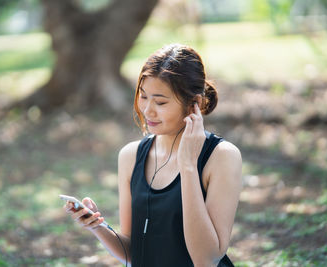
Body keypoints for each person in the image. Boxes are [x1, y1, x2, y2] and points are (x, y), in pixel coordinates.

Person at [64, 44, 242, 267]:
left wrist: (188, 166)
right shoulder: (131, 156)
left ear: (194, 104)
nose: (148, 110)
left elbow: (206, 259)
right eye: (143, 96)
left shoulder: (222, 157)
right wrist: (97, 226)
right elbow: (132, 253)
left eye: (160, 102)